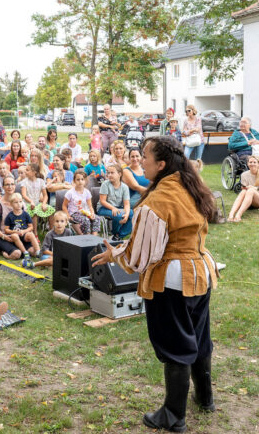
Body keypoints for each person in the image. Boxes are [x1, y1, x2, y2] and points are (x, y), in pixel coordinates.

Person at [91, 135, 219, 432]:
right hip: (200, 273)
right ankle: (205, 398)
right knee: (198, 337)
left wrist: (114, 255)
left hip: (172, 280)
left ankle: (174, 415)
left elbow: (139, 256)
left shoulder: (159, 199)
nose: (140, 162)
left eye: (146, 157)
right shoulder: (190, 184)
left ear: (161, 164)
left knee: (175, 344)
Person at [226, 155, 259, 222]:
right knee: (243, 191)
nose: (252, 164)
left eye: (254, 162)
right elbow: (244, 192)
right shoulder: (244, 175)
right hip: (249, 199)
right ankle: (231, 214)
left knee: (251, 190)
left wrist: (255, 188)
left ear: (258, 164)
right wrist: (245, 188)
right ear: (247, 163)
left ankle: (238, 215)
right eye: (250, 162)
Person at [98, 164, 133, 240]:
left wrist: (126, 214)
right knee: (118, 215)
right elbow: (102, 201)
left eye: (112, 173)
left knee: (131, 213)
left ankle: (118, 236)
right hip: (104, 208)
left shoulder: (124, 187)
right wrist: (113, 208)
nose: (109, 175)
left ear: (119, 174)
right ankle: (114, 232)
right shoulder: (105, 184)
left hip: (118, 208)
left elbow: (126, 204)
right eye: (108, 173)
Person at [4, 193, 41, 259]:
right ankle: (25, 252)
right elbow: (6, 230)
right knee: (14, 235)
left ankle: (38, 251)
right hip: (15, 236)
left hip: (24, 235)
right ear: (11, 204)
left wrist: (24, 231)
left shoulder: (25, 214)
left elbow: (31, 227)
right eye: (16, 202)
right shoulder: (10, 216)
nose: (19, 204)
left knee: (31, 234)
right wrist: (14, 231)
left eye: (20, 202)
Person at [64, 170, 100, 236]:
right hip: (74, 214)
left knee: (96, 218)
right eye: (78, 179)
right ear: (74, 181)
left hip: (85, 212)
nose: (80, 181)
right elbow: (64, 206)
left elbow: (90, 205)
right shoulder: (70, 193)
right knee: (86, 220)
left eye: (82, 179)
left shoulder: (87, 192)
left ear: (85, 181)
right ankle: (87, 237)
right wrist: (68, 216)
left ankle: (94, 238)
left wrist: (92, 213)